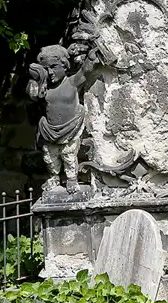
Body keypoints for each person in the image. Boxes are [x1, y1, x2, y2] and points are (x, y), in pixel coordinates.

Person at [27, 38, 114, 193]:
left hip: (70, 127)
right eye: (46, 69)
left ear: (65, 65)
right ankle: (54, 177)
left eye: (54, 67)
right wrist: (35, 79)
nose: (51, 72)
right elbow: (32, 95)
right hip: (49, 129)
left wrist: (91, 57)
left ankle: (71, 179)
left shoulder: (72, 82)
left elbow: (86, 71)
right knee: (50, 157)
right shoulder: (45, 89)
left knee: (68, 155)